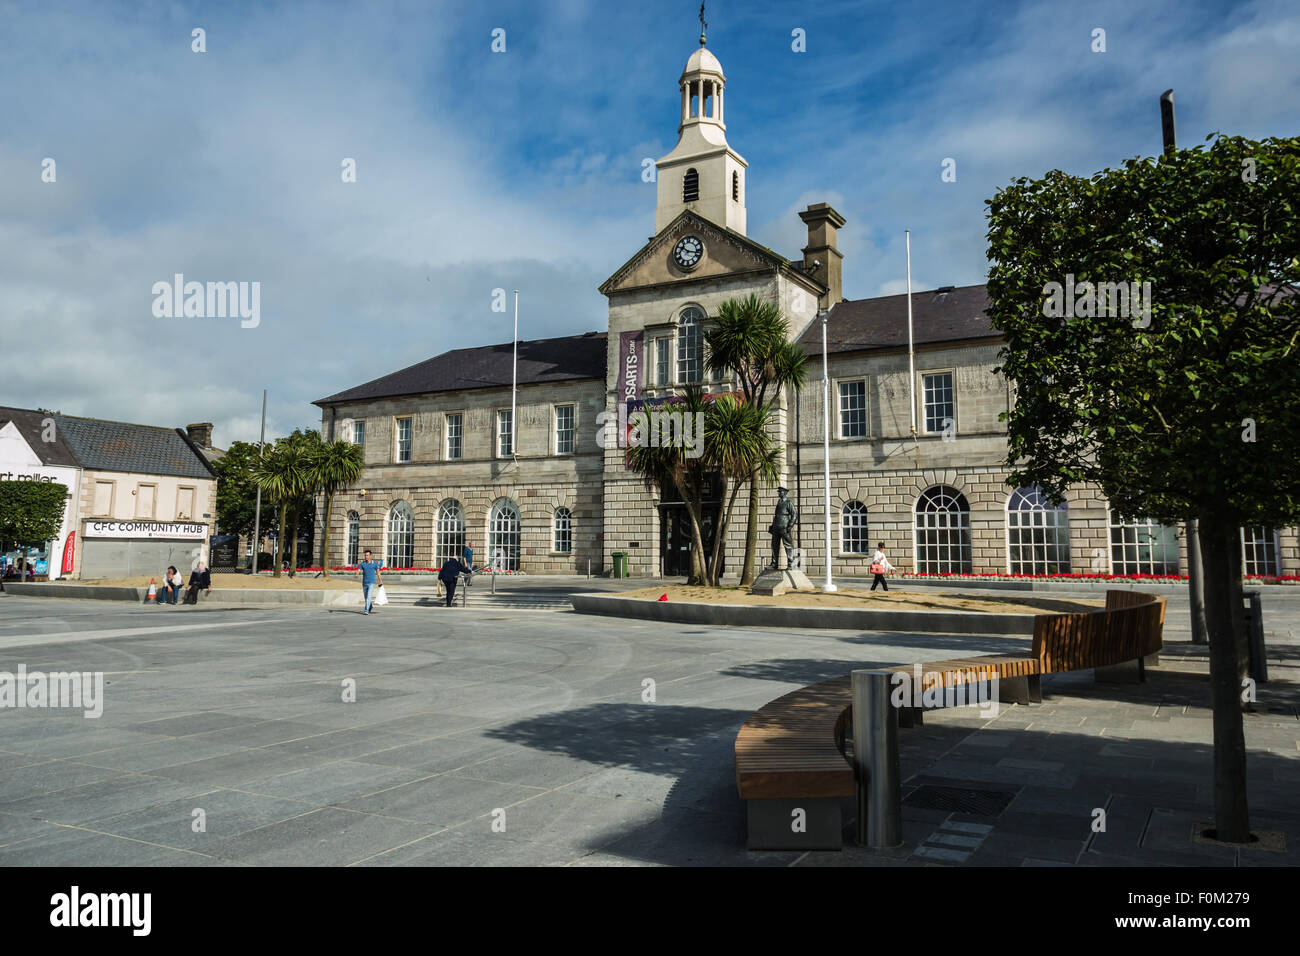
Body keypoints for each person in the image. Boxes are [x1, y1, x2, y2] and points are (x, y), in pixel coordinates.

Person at [768, 487, 798, 569]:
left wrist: (790, 525)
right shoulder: (779, 502)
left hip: (784, 527)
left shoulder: (788, 503)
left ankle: (791, 563)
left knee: (788, 545)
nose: (779, 493)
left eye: (780, 492)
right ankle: (774, 563)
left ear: (784, 493)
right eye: (779, 492)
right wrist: (772, 526)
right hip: (776, 527)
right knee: (774, 545)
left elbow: (794, 515)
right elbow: (777, 516)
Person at [353, 549, 383, 615]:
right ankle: (370, 606)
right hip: (364, 583)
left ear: (370, 556)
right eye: (365, 555)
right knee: (366, 597)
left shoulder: (374, 564)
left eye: (367, 555)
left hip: (371, 583)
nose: (366, 556)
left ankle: (366, 610)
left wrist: (380, 581)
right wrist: (356, 574)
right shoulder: (363, 564)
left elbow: (378, 573)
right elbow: (358, 570)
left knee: (369, 597)